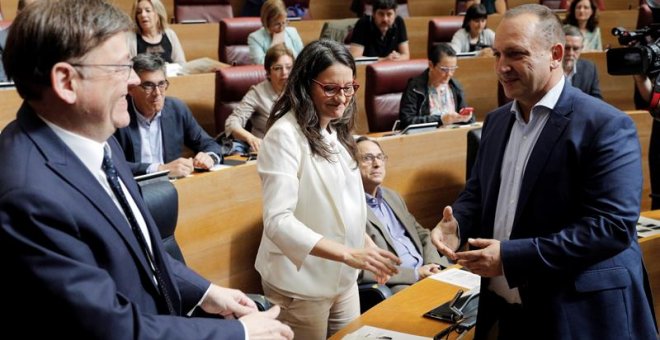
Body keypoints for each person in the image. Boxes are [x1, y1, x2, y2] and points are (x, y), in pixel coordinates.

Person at [0, 1, 293, 339]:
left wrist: (205, 292)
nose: (134, 80)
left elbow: (142, 252)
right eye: (122, 66)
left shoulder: (98, 136)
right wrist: (239, 334)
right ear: (67, 81)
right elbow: (111, 328)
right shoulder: (28, 196)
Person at [430, 4, 657, 339]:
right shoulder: (495, 122)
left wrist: (510, 257)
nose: (502, 67)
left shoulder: (605, 125)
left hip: (577, 317)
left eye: (516, 54)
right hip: (508, 314)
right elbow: (478, 191)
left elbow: (611, 228)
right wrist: (458, 221)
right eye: (497, 55)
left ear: (555, 54)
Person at [256, 39, 401, 339]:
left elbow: (342, 207)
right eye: (331, 88)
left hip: (343, 280)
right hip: (300, 285)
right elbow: (278, 222)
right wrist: (348, 254)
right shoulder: (283, 136)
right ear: (305, 85)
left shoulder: (335, 129)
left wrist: (367, 247)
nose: (342, 98)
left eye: (349, 88)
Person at [356, 136, 444, 293]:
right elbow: (361, 269)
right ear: (352, 165)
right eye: (368, 158)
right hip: (401, 284)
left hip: (429, 272)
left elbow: (423, 234)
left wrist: (433, 265)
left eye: (380, 157)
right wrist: (416, 274)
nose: (376, 164)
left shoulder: (393, 197)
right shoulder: (351, 209)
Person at [114, 53, 222, 177]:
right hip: (135, 188)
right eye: (148, 86)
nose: (157, 93)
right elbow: (112, 164)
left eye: (161, 84)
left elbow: (210, 144)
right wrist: (160, 169)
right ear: (131, 89)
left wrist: (209, 157)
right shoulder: (118, 116)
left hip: (172, 185)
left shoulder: (176, 109)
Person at [225, 43, 293, 154]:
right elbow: (232, 123)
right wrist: (250, 138)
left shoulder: (300, 90)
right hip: (268, 152)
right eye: (277, 68)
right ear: (268, 73)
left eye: (289, 67)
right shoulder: (257, 93)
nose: (284, 73)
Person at [399, 43, 473, 129]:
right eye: (444, 69)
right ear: (431, 65)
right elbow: (406, 121)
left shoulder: (455, 85)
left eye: (453, 69)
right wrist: (440, 119)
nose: (449, 74)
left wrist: (466, 118)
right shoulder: (415, 87)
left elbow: (468, 118)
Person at [129, 0, 186, 65]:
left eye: (148, 11)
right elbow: (129, 69)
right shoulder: (131, 38)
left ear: (158, 14)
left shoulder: (170, 34)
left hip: (169, 74)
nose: (143, 15)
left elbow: (181, 64)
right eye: (139, 12)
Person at [248, 0, 303, 65]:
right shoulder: (255, 38)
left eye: (284, 22)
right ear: (266, 23)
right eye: (277, 24)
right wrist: (274, 45)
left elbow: (303, 58)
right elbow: (261, 65)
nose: (282, 28)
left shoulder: (292, 32)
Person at [0, 0, 37, 82]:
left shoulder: (55, 40)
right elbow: (4, 87)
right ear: (19, 15)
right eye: (34, 15)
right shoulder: (1, 43)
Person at [562, 25, 602, 98]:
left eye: (575, 48)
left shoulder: (590, 68)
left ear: (581, 48)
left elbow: (597, 99)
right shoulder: (548, 69)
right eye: (567, 48)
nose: (571, 53)